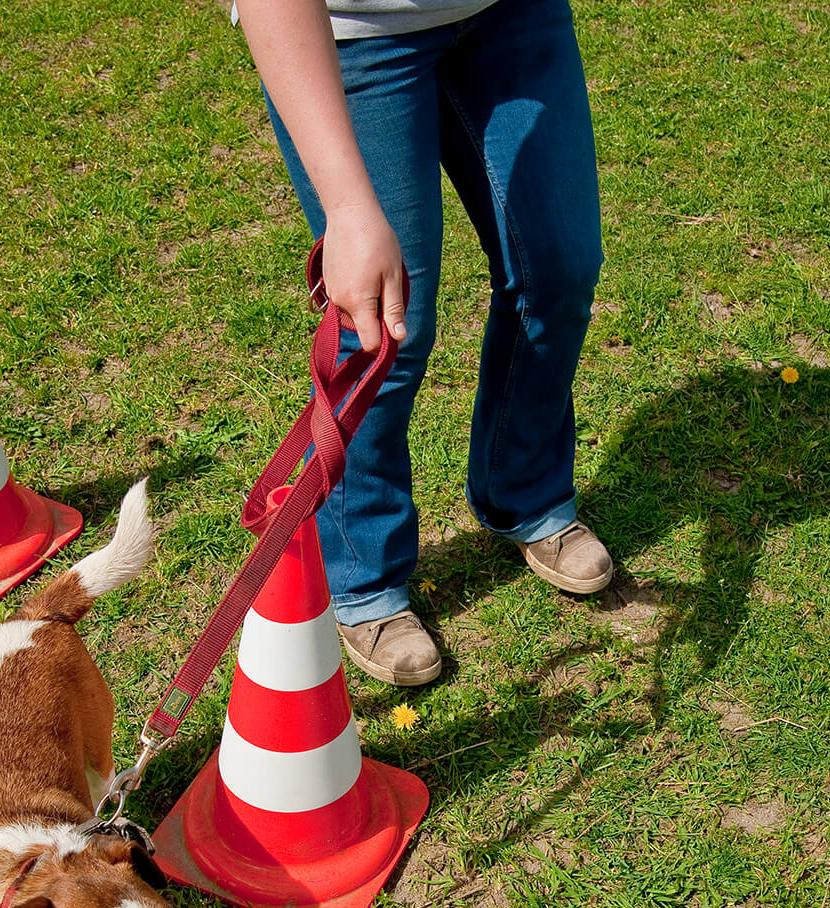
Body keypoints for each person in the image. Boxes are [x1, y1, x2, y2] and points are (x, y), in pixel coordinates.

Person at [235, 0, 614, 686]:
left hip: (510, 15)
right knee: (386, 326)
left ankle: (523, 491)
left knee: (558, 267)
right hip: (352, 35)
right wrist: (349, 210)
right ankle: (363, 576)